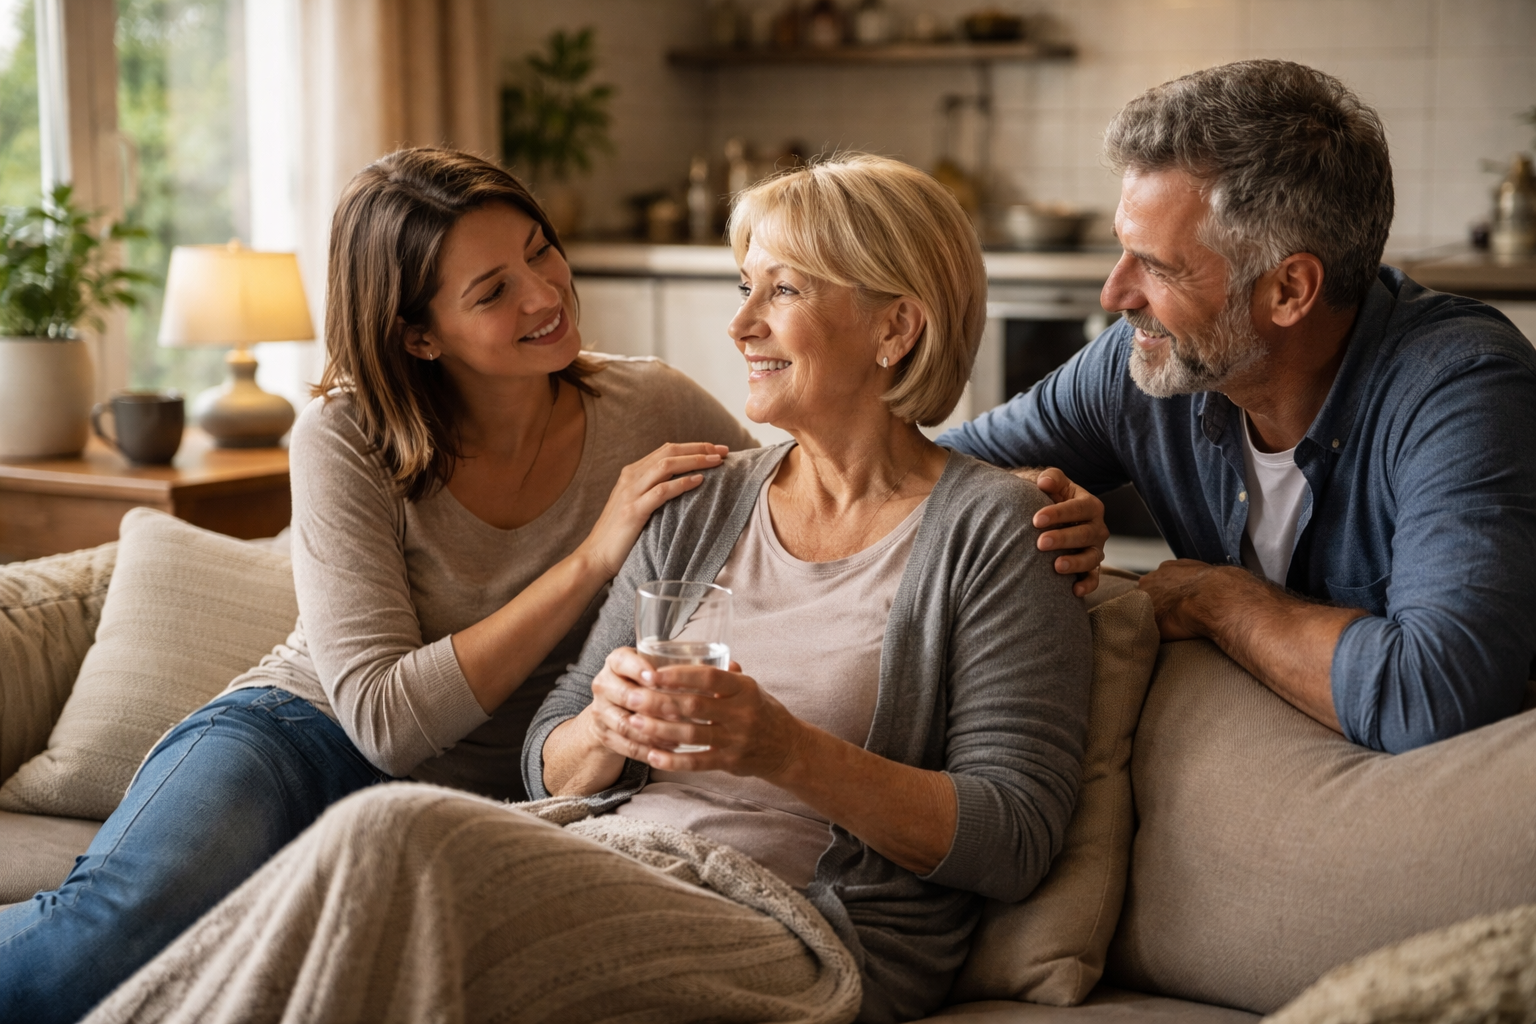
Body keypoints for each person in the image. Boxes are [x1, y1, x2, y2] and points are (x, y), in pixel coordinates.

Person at [78, 155, 1093, 1024]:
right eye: (746, 286)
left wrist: (779, 747)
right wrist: (603, 725)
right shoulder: (703, 497)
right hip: (593, 846)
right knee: (324, 890)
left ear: (895, 328)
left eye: (780, 291)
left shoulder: (999, 529)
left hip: (788, 920)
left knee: (390, 838)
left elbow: (1012, 837)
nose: (740, 323)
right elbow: (544, 757)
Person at [0, 148, 760, 1024]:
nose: (545, 295)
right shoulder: (345, 435)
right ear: (417, 334)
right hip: (296, 742)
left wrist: (955, 449)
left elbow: (811, 487)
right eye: (492, 290)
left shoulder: (652, 404)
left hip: (488, 804)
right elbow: (387, 722)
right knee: (107, 943)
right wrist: (592, 556)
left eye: (540, 250)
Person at [940, 60, 1536, 754]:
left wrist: (1215, 599)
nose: (1115, 295)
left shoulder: (1462, 392)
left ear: (1290, 290)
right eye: (1121, 252)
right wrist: (1014, 499)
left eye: (1158, 267)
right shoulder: (1139, 362)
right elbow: (917, 477)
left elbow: (1436, 697)